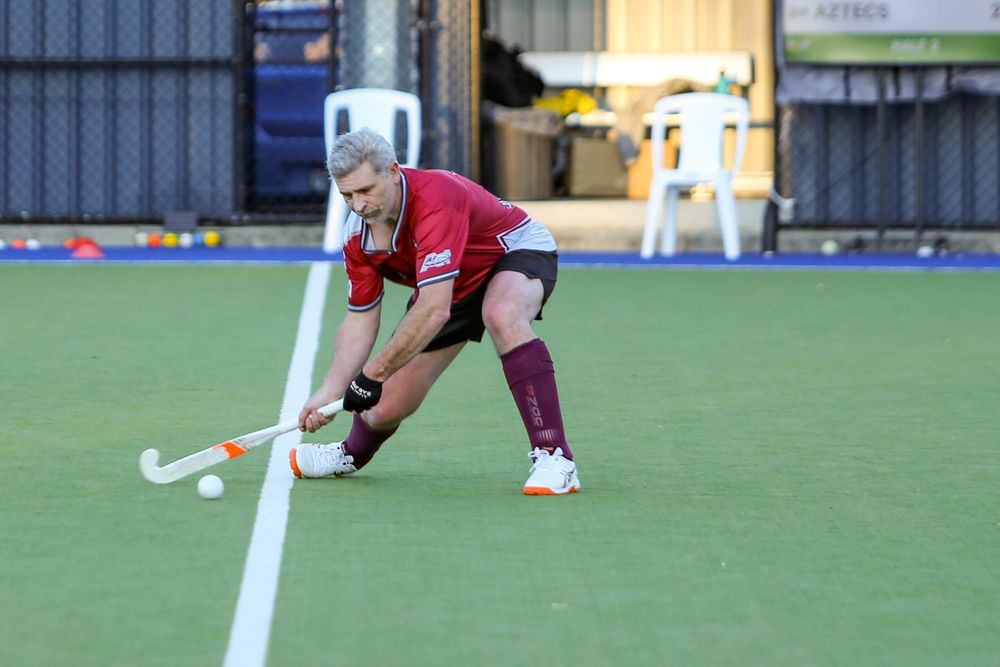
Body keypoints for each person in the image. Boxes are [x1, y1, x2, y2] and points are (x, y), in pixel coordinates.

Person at [290, 127, 580, 495]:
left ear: (393, 172)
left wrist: (369, 376)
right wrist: (331, 391)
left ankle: (556, 457)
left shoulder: (436, 198)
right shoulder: (357, 237)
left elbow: (432, 310)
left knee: (501, 312)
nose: (359, 205)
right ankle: (350, 453)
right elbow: (361, 318)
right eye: (347, 195)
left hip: (511, 253)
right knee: (382, 408)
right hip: (451, 287)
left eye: (366, 190)